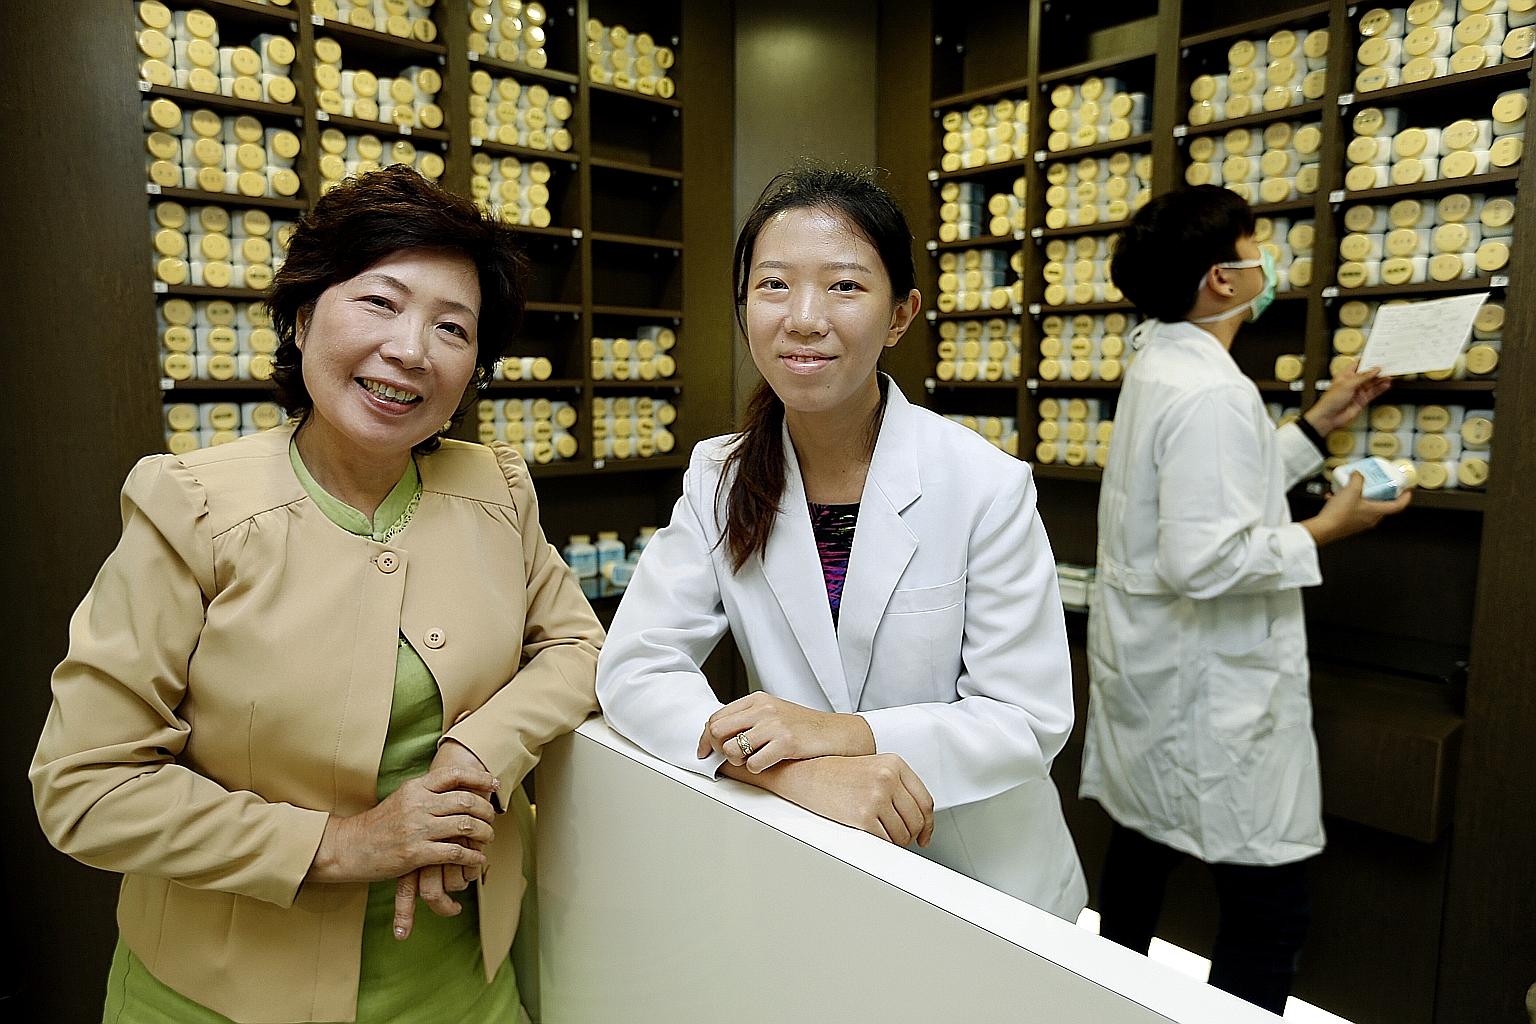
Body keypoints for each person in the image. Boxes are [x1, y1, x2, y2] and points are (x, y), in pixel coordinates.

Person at [31, 166, 603, 1024]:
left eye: (452, 328)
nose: (411, 350)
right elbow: (87, 786)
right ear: (302, 318)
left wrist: (478, 750)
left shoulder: (495, 489)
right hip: (218, 999)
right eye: (380, 303)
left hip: (461, 988)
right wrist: (342, 845)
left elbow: (578, 647)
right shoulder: (191, 506)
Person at [595, 165, 1086, 920]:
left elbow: (1027, 719)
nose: (804, 317)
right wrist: (779, 771)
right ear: (743, 307)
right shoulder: (720, 476)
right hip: (814, 851)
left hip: (983, 882)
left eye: (845, 286)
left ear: (900, 315)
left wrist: (841, 736)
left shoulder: (983, 485)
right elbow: (636, 666)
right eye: (773, 285)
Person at [1078, 185, 1411, 1013]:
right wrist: (1328, 527)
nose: (1269, 259)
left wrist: (1316, 426)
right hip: (1209, 690)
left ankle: (1094, 1001)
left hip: (1158, 677)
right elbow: (1206, 557)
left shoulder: (1164, 359)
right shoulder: (1211, 390)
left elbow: (1213, 487)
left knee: (1139, 863)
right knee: (1271, 910)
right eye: (1257, 243)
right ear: (1221, 279)